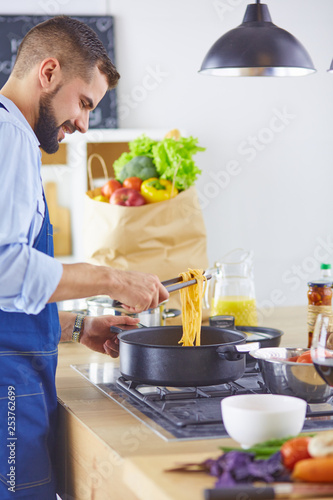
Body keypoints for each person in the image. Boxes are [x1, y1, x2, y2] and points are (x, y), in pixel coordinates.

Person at [0, 16, 168, 499]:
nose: (84, 123)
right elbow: (6, 270)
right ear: (48, 72)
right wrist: (112, 280)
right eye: (84, 102)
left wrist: (76, 325)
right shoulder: (9, 136)